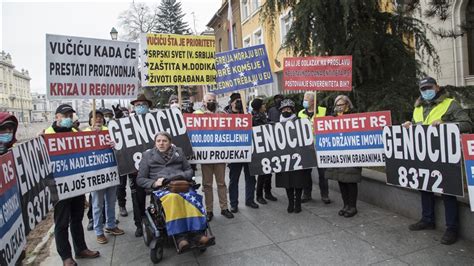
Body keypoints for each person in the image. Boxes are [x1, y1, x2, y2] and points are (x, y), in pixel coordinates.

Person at [404, 77, 472, 245]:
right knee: (425, 187)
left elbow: (467, 124)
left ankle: (451, 228)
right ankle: (427, 219)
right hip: (425, 156)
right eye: (423, 89)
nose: (426, 91)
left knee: (448, 191)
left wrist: (446, 123)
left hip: (445, 156)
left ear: (437, 87)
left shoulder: (450, 104)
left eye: (429, 87)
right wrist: (409, 126)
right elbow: (417, 127)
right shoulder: (418, 107)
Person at [136, 132, 212, 252]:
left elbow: (189, 171)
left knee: (192, 196)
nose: (161, 143)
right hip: (162, 188)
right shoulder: (147, 155)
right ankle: (180, 237)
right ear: (155, 143)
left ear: (170, 142)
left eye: (164, 141)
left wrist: (178, 176)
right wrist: (154, 183)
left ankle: (198, 234)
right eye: (159, 141)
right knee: (173, 198)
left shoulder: (178, 152)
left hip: (180, 184)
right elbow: (140, 179)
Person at [45, 104, 100, 266]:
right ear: (57, 117)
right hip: (59, 186)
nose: (69, 118)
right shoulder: (48, 134)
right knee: (61, 222)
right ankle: (66, 257)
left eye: (70, 115)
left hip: (76, 183)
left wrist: (96, 136)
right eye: (65, 115)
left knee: (77, 218)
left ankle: (81, 249)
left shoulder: (75, 132)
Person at [85, 110, 125, 244]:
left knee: (111, 201)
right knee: (97, 204)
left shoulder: (109, 131)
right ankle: (98, 231)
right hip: (96, 174)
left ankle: (111, 225)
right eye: (95, 118)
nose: (99, 120)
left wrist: (116, 146)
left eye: (101, 118)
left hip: (111, 172)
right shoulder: (84, 133)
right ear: (90, 120)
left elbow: (119, 147)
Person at [194, 93, 234, 221]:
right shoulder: (196, 115)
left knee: (221, 183)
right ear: (203, 102)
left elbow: (231, 129)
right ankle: (209, 210)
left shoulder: (223, 114)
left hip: (219, 154)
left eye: (213, 100)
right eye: (208, 100)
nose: (211, 102)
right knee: (207, 185)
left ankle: (224, 208)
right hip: (205, 155)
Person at [325, 95, 362, 218]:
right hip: (338, 155)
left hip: (351, 154)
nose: (339, 107)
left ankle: (353, 206)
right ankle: (346, 205)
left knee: (350, 181)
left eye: (341, 105)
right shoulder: (332, 119)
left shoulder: (355, 116)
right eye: (337, 105)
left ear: (347, 105)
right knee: (341, 180)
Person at [275, 99, 311, 213]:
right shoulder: (277, 123)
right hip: (284, 158)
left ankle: (298, 203)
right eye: (284, 109)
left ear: (292, 110)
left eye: (288, 108)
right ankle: (290, 202)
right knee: (287, 182)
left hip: (297, 156)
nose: (286, 110)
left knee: (298, 181)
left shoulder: (299, 121)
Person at [225, 93, 258, 212]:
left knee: (251, 178)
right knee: (234, 179)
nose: (238, 102)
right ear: (231, 102)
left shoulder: (247, 115)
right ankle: (233, 203)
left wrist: (251, 119)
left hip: (248, 151)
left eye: (240, 100)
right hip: (234, 153)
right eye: (236, 101)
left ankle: (250, 200)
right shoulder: (226, 116)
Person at [298, 92, 331, 204]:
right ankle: (306, 194)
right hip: (306, 148)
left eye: (306, 99)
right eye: (304, 99)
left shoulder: (323, 111)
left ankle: (325, 195)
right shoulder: (301, 113)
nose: (304, 101)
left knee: (322, 173)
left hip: (320, 147)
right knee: (305, 173)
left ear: (313, 101)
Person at [129, 94, 153, 237]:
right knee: (138, 198)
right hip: (136, 169)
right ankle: (140, 224)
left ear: (148, 106)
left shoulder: (156, 121)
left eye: (143, 104)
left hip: (155, 166)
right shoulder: (127, 123)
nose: (140, 107)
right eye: (137, 105)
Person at [250, 98, 277, 204]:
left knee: (269, 171)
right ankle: (259, 195)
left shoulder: (263, 116)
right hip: (260, 148)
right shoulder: (253, 118)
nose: (265, 106)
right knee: (262, 173)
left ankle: (268, 193)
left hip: (268, 146)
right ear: (259, 107)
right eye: (263, 105)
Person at [111, 104, 129, 217]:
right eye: (123, 114)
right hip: (120, 160)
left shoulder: (131, 123)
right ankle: (122, 206)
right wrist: (117, 119)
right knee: (121, 185)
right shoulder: (113, 125)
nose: (125, 115)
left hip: (132, 158)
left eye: (125, 113)